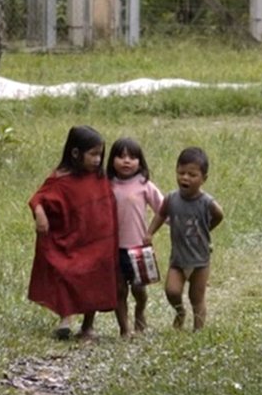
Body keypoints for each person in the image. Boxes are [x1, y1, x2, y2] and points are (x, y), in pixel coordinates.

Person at [29, 126, 119, 340]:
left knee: (95, 278)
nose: (98, 160)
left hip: (98, 241)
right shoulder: (60, 178)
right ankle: (66, 318)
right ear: (76, 153)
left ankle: (88, 326)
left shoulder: (99, 178)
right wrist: (40, 214)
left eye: (100, 154)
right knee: (65, 272)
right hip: (71, 238)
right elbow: (38, 199)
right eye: (93, 154)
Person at [147, 146, 225, 331]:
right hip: (178, 259)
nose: (185, 178)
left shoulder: (206, 202)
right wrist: (149, 232)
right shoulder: (172, 198)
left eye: (192, 174)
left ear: (203, 179)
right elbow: (160, 214)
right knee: (172, 291)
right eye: (181, 173)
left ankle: (198, 331)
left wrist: (207, 229)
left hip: (200, 259)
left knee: (196, 298)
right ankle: (180, 311)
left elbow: (219, 214)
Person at [106, 137, 163, 337]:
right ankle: (124, 329)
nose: (126, 161)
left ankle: (140, 312)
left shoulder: (144, 184)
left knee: (139, 289)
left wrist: (151, 232)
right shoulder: (107, 185)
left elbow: (163, 209)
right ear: (112, 160)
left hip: (138, 246)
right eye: (121, 157)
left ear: (140, 161)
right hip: (114, 248)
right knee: (119, 290)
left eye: (132, 157)